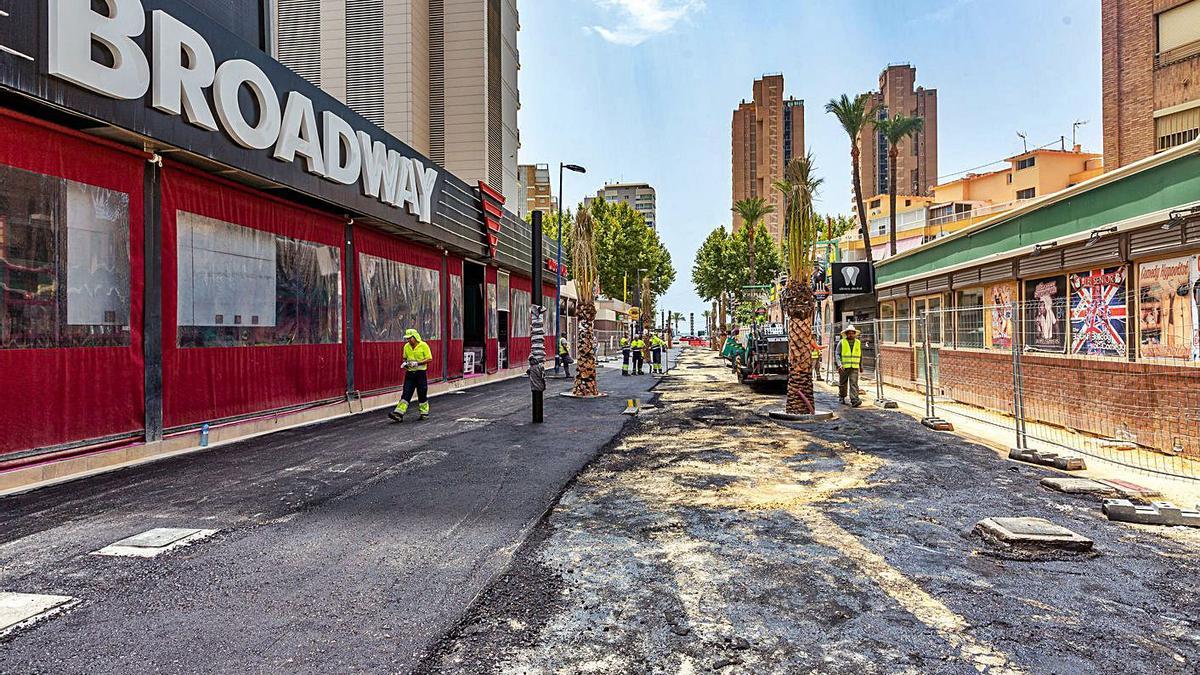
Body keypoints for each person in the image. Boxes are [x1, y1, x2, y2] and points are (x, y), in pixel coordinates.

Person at [389, 328, 433, 422]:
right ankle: (399, 413)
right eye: (407, 339)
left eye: (410, 338)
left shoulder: (423, 345)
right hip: (410, 373)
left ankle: (424, 413)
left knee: (422, 393)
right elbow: (404, 358)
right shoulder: (406, 347)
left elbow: (429, 359)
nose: (408, 340)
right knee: (406, 392)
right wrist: (405, 364)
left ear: (415, 337)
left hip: (420, 373)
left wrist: (417, 363)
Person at [836, 324, 863, 408]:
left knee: (854, 383)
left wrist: (861, 366)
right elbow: (837, 354)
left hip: (854, 367)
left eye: (852, 333)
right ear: (846, 334)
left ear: (855, 334)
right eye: (849, 333)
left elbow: (860, 355)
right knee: (843, 383)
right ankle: (842, 396)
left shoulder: (858, 342)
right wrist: (839, 364)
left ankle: (854, 400)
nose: (850, 334)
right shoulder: (842, 342)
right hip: (844, 367)